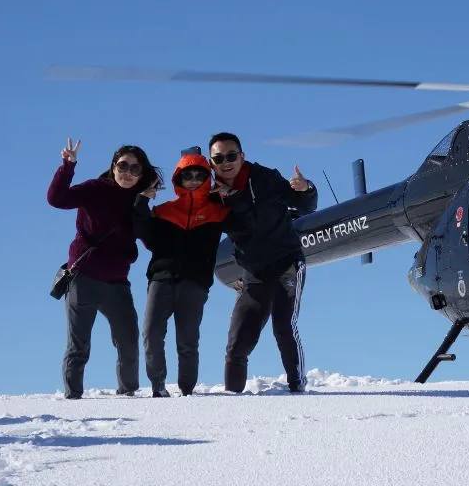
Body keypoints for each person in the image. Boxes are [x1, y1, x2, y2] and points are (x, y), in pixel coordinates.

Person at [47, 138, 158, 399]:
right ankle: (73, 398)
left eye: (135, 169)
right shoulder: (95, 188)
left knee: (128, 343)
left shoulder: (137, 201)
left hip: (118, 284)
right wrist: (68, 166)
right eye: (123, 166)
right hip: (83, 278)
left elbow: (151, 241)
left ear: (142, 174)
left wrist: (142, 205)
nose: (128, 173)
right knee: (78, 346)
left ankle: (128, 394)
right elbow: (56, 199)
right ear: (113, 166)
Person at [208, 132, 318, 393]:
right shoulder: (213, 195)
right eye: (219, 158)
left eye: (231, 155)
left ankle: (298, 388)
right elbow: (236, 224)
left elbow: (304, 206)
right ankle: (232, 397)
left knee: (283, 327)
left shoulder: (265, 178)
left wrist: (307, 189)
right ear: (211, 163)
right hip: (254, 273)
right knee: (237, 343)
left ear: (242, 156)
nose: (226, 162)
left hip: (286, 264)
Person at [132, 148, 233, 397]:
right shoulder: (164, 211)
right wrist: (142, 199)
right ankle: (158, 386)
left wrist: (230, 197)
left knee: (188, 340)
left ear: (208, 179)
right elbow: (143, 232)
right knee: (151, 333)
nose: (194, 180)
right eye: (188, 175)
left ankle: (187, 391)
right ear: (179, 178)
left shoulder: (217, 211)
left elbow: (245, 226)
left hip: (195, 282)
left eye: (200, 175)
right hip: (161, 278)